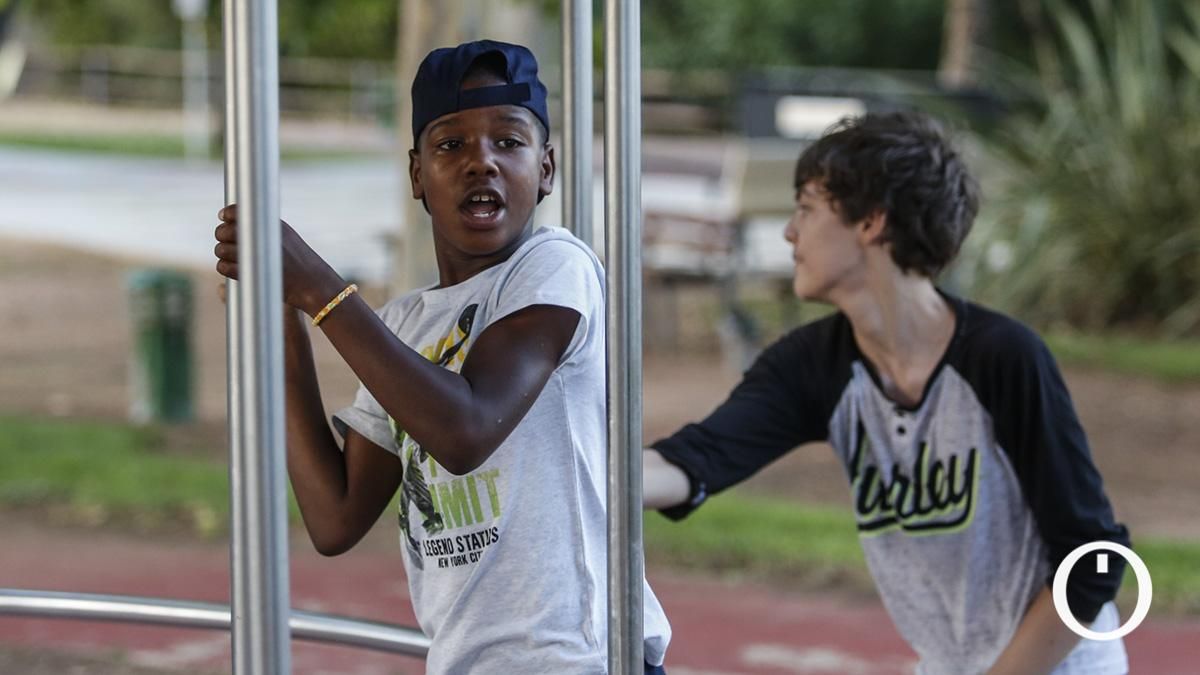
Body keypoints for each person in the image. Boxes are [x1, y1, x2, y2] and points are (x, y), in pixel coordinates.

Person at [214, 39, 671, 674]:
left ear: (547, 168)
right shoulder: (404, 324)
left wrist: (319, 287)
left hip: (576, 660)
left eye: (508, 142)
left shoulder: (554, 267)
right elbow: (335, 516)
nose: (480, 162)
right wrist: (282, 309)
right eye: (450, 145)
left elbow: (467, 429)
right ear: (416, 176)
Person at [643, 111, 1130, 675]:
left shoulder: (1002, 358)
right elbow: (702, 458)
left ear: (872, 221)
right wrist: (599, 483)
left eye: (806, 208)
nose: (789, 232)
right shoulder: (812, 365)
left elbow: (1093, 560)